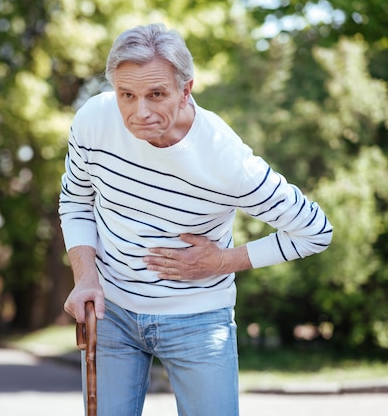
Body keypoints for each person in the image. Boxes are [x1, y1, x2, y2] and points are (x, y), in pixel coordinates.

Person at [59, 23, 333, 416]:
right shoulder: (93, 120)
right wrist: (85, 276)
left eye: (156, 94)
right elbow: (76, 201)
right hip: (112, 314)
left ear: (186, 90)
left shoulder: (227, 160)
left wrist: (222, 261)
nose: (140, 112)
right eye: (127, 95)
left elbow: (315, 231)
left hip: (199, 320)